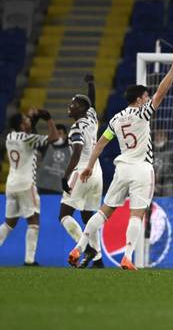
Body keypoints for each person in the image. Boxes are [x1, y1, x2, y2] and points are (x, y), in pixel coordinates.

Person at [68, 46, 173, 270]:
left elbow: (100, 143)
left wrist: (89, 167)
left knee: (104, 212)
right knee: (137, 214)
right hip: (142, 169)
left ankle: (79, 246)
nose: (149, 98)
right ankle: (127, 257)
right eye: (146, 96)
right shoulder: (143, 113)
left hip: (122, 169)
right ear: (140, 99)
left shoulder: (115, 119)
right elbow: (162, 92)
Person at [0, 109, 59, 265]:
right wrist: (48, 119)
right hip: (26, 184)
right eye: (25, 120)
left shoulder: (9, 137)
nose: (28, 121)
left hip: (11, 185)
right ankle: (29, 260)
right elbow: (54, 138)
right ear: (21, 124)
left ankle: (29, 259)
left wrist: (32, 118)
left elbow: (26, 129)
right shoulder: (28, 139)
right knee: (33, 221)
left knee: (8, 223)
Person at [59, 74, 105, 268]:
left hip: (81, 172)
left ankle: (86, 248)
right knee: (88, 216)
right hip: (97, 172)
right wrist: (91, 84)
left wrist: (65, 175)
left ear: (82, 109)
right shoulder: (92, 118)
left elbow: (77, 151)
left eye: (75, 104)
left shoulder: (76, 128)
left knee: (64, 214)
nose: (70, 106)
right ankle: (98, 259)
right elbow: (92, 102)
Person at [36, 124, 71, 194]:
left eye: (60, 134)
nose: (57, 136)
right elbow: (35, 140)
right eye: (55, 134)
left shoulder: (71, 149)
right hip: (43, 187)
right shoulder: (46, 146)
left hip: (60, 189)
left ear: (65, 135)